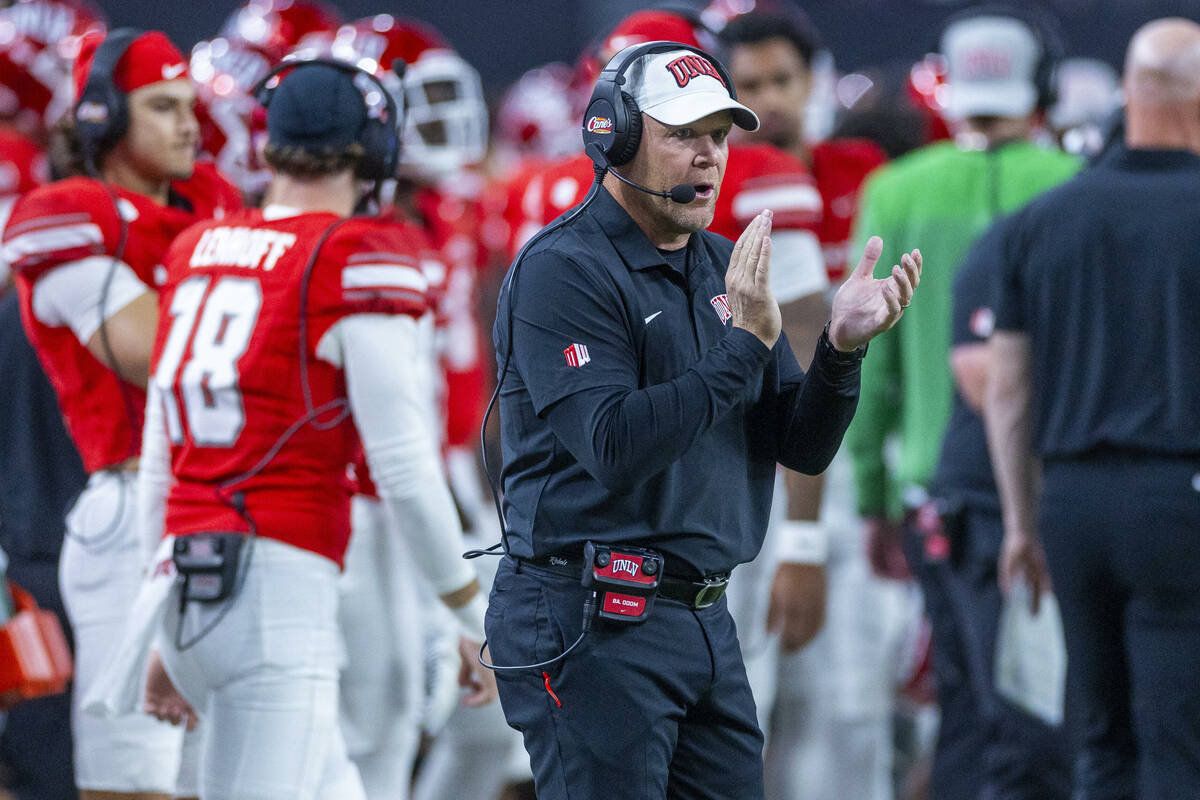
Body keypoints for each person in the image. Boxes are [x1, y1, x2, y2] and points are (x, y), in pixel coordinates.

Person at [488, 41, 921, 800]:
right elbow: (615, 445)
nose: (708, 156)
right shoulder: (564, 269)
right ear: (613, 135)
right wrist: (745, 345)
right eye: (683, 133)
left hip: (703, 616)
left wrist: (841, 354)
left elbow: (800, 444)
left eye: (720, 136)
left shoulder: (722, 263)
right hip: (589, 616)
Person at [116, 60, 496, 800]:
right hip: (275, 592)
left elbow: (161, 454)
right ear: (376, 150)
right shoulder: (355, 255)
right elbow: (404, 467)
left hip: (188, 582)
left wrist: (159, 619)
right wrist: (469, 612)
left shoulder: (198, 248)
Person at [843, 9, 1081, 799]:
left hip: (928, 490)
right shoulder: (1074, 185)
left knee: (964, 710)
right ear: (1039, 84)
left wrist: (873, 500)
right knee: (1043, 713)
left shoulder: (895, 188)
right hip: (1053, 488)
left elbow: (866, 364)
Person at [1, 28, 241, 800]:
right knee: (133, 780)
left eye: (191, 107)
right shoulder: (68, 220)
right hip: (128, 514)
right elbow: (156, 353)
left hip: (234, 511)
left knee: (227, 776)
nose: (187, 126)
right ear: (102, 115)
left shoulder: (214, 209)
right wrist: (262, 303)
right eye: (163, 106)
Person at [984, 18, 1200, 800]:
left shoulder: (1040, 222)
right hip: (1180, 499)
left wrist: (1019, 521)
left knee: (1102, 739)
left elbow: (1009, 392)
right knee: (1182, 741)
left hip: (1072, 507)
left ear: (1129, 95)